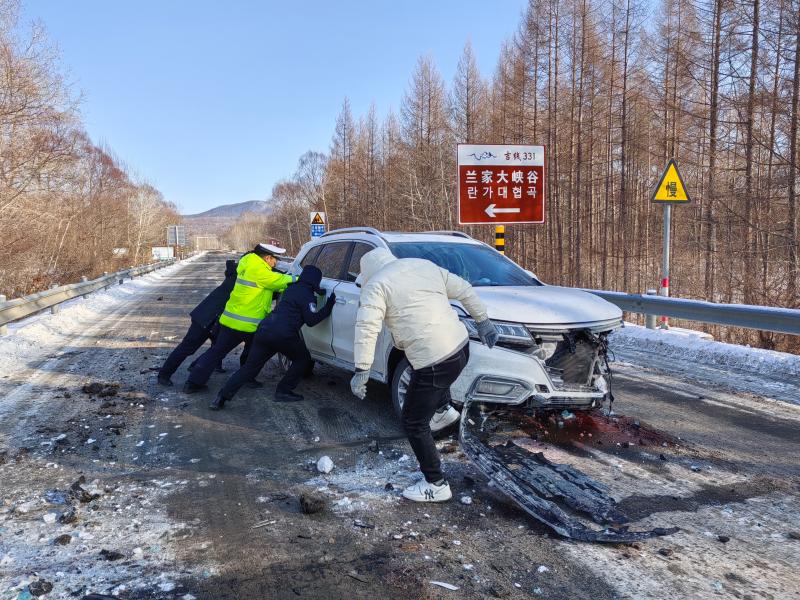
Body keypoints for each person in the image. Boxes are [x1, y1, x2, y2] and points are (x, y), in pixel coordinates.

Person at [349, 248, 499, 503]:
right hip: (460, 347)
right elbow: (464, 289)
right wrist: (482, 320)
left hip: (435, 361)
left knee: (413, 421)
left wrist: (362, 369)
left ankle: (435, 483)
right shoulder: (422, 265)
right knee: (414, 356)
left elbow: (367, 328)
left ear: (368, 272)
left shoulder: (377, 285)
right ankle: (443, 410)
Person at [210, 265, 335, 410]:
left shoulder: (291, 289)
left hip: (264, 330)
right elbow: (311, 321)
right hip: (284, 335)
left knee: (249, 367)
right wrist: (328, 306)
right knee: (303, 359)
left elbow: (299, 300)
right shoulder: (307, 295)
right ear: (315, 281)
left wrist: (318, 292)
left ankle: (221, 397)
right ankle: (283, 391)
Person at [183, 243, 295, 393]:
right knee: (255, 354)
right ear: (268, 258)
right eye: (275, 259)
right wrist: (301, 278)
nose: (276, 263)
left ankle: (193, 383)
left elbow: (272, 284)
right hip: (247, 323)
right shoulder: (259, 270)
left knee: (216, 352)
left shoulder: (248, 263)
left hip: (230, 320)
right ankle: (246, 378)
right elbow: (278, 281)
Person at [157, 259, 239, 386]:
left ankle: (200, 366)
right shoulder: (241, 276)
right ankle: (164, 375)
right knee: (187, 347)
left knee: (218, 348)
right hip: (206, 317)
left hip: (217, 319)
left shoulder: (238, 273)